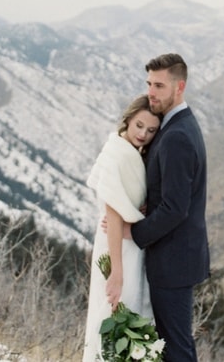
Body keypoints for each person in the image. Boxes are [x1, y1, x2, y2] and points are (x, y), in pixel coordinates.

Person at [125, 53, 209, 362]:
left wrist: (133, 232)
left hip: (174, 259)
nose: (151, 92)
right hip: (175, 256)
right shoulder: (177, 126)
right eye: (149, 83)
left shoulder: (177, 136)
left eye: (159, 85)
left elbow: (175, 208)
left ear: (180, 86)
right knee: (174, 343)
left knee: (176, 348)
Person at [82, 95, 161, 362]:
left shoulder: (130, 153)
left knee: (129, 316)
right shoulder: (118, 154)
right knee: (115, 312)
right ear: (127, 120)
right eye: (139, 125)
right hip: (118, 247)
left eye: (151, 130)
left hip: (130, 245)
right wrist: (116, 272)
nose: (143, 134)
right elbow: (113, 217)